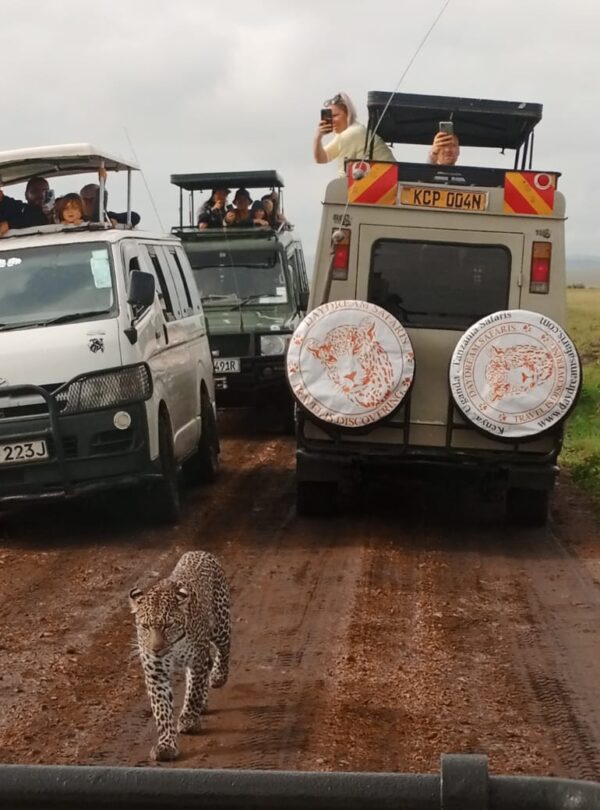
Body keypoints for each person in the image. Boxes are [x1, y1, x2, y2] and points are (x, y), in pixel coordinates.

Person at [313, 91, 395, 177]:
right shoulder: (348, 132)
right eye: (330, 116)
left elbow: (344, 175)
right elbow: (321, 158)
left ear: (348, 113)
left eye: (335, 115)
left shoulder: (350, 134)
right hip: (389, 177)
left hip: (385, 178)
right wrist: (318, 137)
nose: (332, 120)